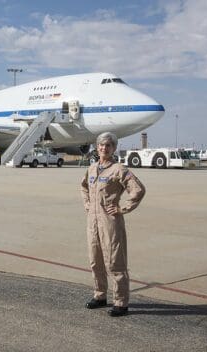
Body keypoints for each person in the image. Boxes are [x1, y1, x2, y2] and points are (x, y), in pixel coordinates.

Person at [80, 132, 145, 317]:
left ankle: (121, 302)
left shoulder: (119, 170)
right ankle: (100, 295)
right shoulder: (92, 169)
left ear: (113, 148)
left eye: (108, 145)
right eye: (101, 145)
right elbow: (84, 186)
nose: (104, 148)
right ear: (97, 147)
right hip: (92, 221)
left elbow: (138, 190)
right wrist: (87, 203)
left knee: (115, 261)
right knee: (95, 260)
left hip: (110, 221)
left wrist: (122, 208)